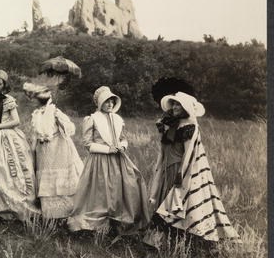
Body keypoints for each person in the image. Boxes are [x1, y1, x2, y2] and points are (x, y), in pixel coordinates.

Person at [146, 92, 238, 244]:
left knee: (175, 204)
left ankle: (177, 240)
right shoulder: (171, 123)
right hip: (167, 168)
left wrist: (180, 174)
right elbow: (163, 149)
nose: (175, 107)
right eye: (174, 104)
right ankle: (160, 241)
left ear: (186, 108)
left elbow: (188, 154)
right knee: (164, 201)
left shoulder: (190, 126)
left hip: (179, 169)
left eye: (178, 104)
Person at [67, 86, 150, 236]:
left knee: (126, 184)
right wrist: (107, 149)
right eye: (106, 101)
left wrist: (122, 146)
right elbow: (87, 144)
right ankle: (99, 223)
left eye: (112, 101)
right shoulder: (92, 119)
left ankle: (118, 220)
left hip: (118, 159)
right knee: (101, 190)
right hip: (100, 160)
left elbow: (123, 138)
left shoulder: (117, 119)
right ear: (100, 103)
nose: (110, 104)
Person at [0, 70, 40, 221]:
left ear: (4, 85)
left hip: (9, 136)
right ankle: (3, 208)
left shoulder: (8, 100)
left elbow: (16, 121)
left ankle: (21, 203)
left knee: (15, 169)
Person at [24, 82, 84, 220]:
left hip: (58, 148)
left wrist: (61, 121)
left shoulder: (55, 111)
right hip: (43, 151)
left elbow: (71, 129)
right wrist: (32, 148)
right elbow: (34, 133)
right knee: (46, 179)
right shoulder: (36, 114)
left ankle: (67, 213)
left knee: (61, 178)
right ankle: (51, 215)